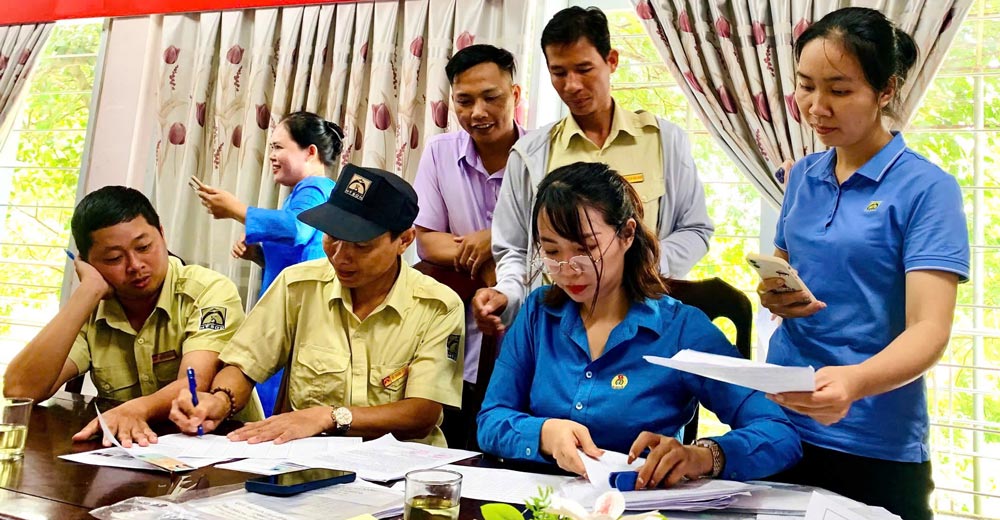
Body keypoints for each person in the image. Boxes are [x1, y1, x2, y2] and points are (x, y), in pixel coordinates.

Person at [759, 8, 969, 520]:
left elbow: (929, 329)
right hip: (779, 421)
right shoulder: (802, 176)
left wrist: (853, 383)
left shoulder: (927, 189)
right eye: (805, 86)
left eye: (839, 90)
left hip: (873, 438)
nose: (816, 107)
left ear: (886, 90)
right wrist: (774, 296)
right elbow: (785, 273)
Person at [477, 162, 800, 487]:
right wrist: (544, 433)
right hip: (538, 500)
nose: (567, 268)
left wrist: (704, 455)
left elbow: (778, 434)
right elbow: (491, 419)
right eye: (551, 251)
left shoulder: (681, 330)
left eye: (586, 249)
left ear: (627, 234)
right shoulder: (539, 313)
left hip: (640, 503)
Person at [170, 164, 465, 447]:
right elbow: (244, 364)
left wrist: (330, 417)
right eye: (332, 237)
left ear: (404, 240)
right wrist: (220, 401)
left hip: (401, 468)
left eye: (361, 245)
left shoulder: (437, 306)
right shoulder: (297, 286)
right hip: (307, 464)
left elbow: (422, 413)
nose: (340, 256)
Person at [472, 6, 714, 335]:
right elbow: (513, 248)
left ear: (611, 61)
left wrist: (637, 268)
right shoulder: (531, 153)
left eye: (584, 69)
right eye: (559, 73)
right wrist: (508, 295)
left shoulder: (663, 140)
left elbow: (695, 230)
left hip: (646, 321)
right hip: (558, 326)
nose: (572, 85)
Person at [3, 186, 247, 447]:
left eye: (144, 247)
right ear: (87, 263)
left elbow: (195, 385)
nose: (135, 265)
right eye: (114, 258)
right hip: (131, 451)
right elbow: (20, 391)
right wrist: (88, 291)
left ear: (162, 234)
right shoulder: (92, 308)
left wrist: (135, 410)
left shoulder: (208, 290)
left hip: (219, 446)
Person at [194, 111, 342, 416]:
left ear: (310, 152)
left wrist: (236, 209)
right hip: (291, 310)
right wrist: (257, 255)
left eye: (278, 147)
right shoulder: (303, 193)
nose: (271, 155)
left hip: (300, 314)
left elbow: (296, 229)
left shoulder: (316, 188)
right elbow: (296, 256)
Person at [412, 44, 524, 440]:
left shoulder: (541, 156)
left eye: (491, 97)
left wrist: (495, 239)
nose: (478, 112)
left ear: (515, 94)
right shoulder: (439, 153)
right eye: (464, 101)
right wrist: (487, 258)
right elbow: (428, 244)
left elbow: (552, 243)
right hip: (458, 336)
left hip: (524, 331)